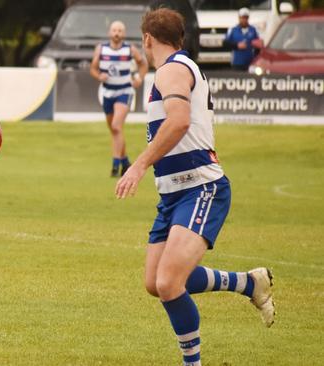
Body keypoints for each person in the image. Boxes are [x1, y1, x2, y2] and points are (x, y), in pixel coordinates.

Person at [115, 9, 275, 366]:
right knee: (155, 282)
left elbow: (180, 120)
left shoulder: (172, 68)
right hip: (174, 193)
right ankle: (248, 284)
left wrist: (139, 164)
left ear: (147, 39)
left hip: (200, 187)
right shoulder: (177, 67)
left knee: (170, 283)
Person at [90, 20, 148, 177]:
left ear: (124, 33)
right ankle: (125, 162)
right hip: (107, 92)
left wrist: (139, 78)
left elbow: (143, 65)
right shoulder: (101, 49)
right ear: (110, 32)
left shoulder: (130, 49)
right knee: (114, 130)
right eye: (114, 30)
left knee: (116, 126)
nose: (117, 33)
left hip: (125, 91)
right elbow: (93, 69)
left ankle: (115, 166)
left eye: (120, 31)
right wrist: (99, 76)